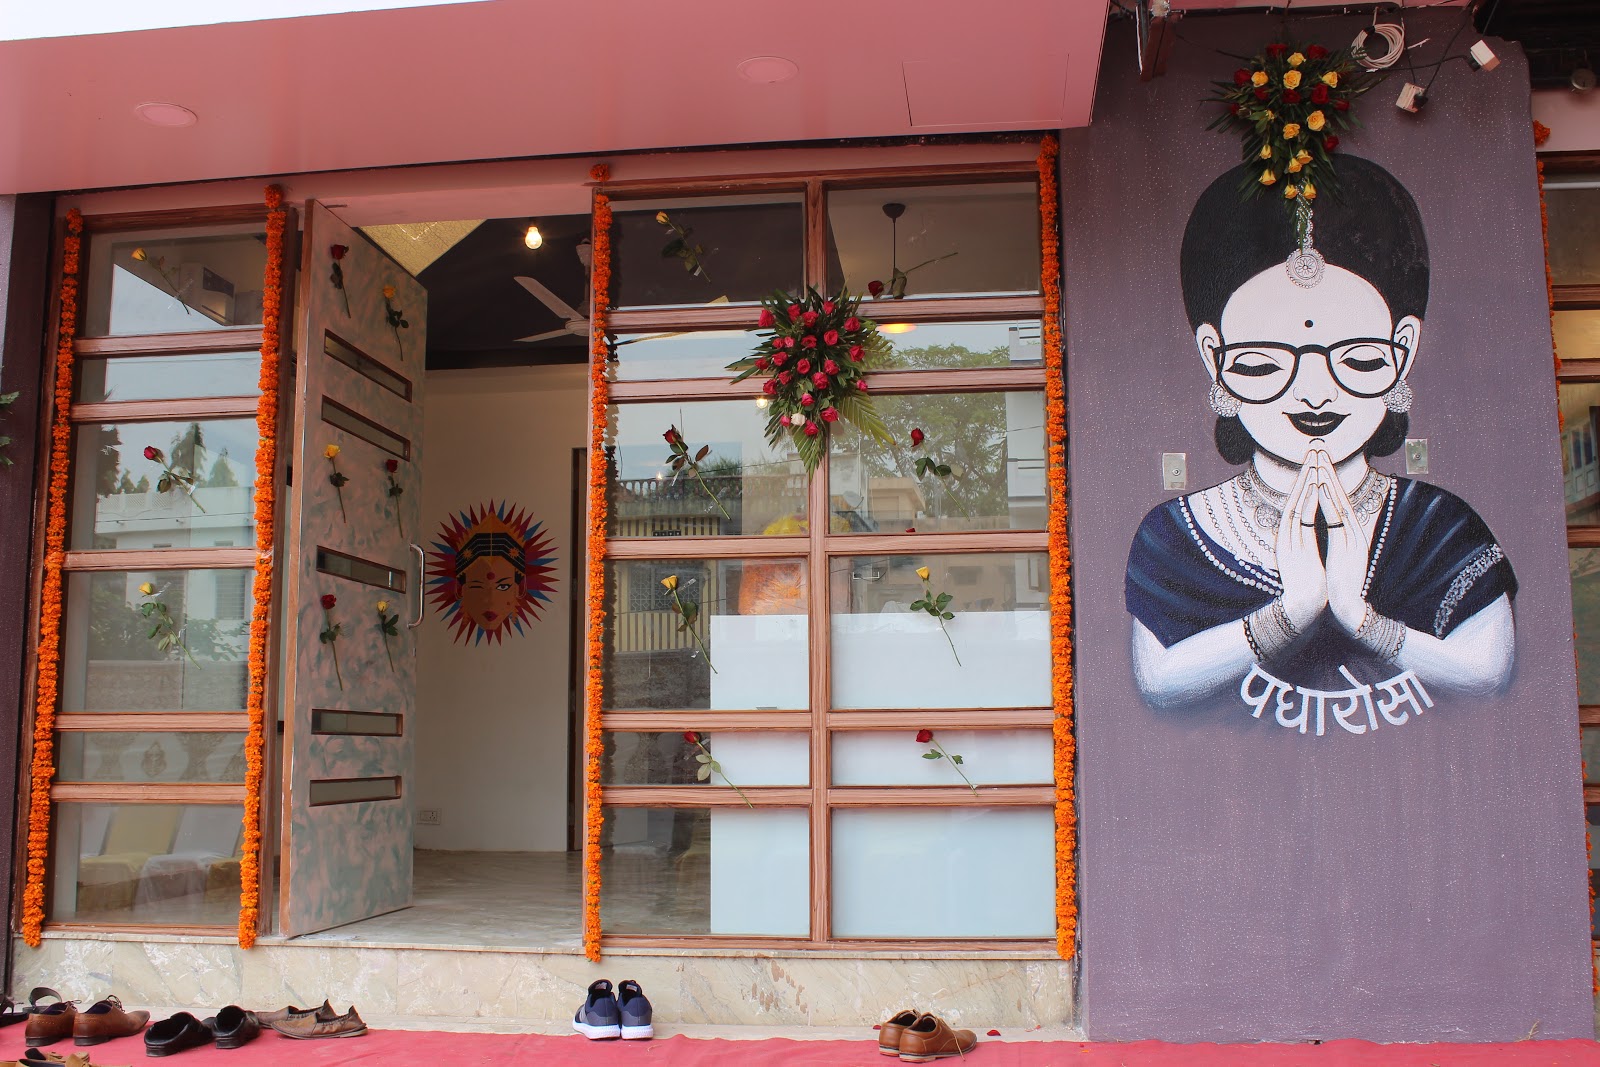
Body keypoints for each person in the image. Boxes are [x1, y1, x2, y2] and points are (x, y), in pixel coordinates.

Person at [1125, 155, 1516, 716]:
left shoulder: (1439, 525)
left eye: (1358, 360)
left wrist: (1363, 620)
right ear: (1214, 358)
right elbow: (1159, 680)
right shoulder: (1176, 534)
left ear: (1404, 350)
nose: (1314, 394)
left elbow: (1488, 671)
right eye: (1263, 364)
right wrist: (1292, 612)